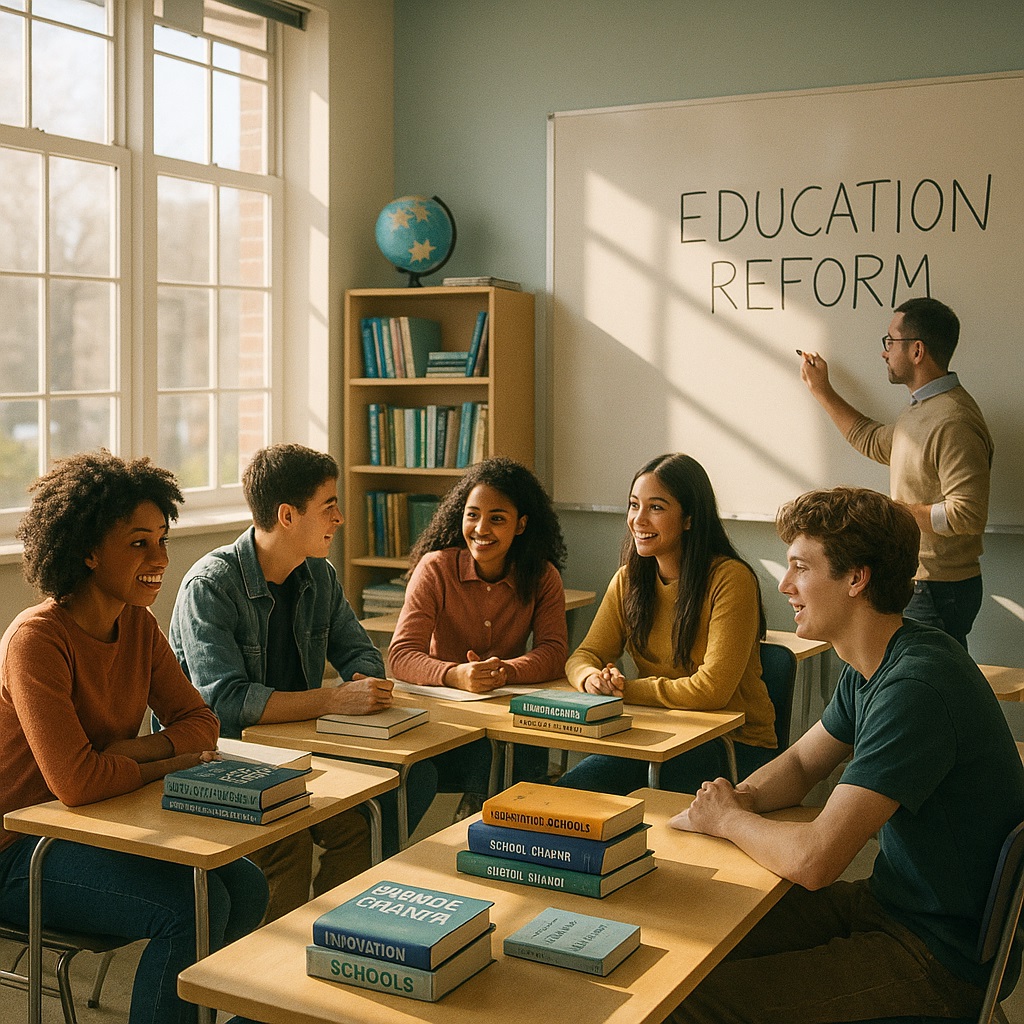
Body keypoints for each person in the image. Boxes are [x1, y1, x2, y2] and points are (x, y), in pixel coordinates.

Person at [669, 486, 1024, 1024]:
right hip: (890, 905)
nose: (784, 585)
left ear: (856, 578)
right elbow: (801, 765)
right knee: (695, 939)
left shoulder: (915, 686)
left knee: (689, 1000)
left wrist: (730, 820)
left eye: (799, 568)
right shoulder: (875, 662)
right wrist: (730, 802)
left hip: (937, 955)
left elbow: (817, 861)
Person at [0, 451, 268, 1024]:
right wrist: (170, 759)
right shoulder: (36, 641)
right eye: (139, 543)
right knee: (187, 908)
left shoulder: (138, 625)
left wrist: (135, 752)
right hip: (18, 850)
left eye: (163, 540)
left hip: (98, 824)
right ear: (89, 551)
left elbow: (202, 724)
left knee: (245, 886)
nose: (161, 559)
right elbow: (76, 783)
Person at [170, 443, 436, 921]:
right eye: (329, 506)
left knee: (367, 826)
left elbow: (359, 652)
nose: (340, 518)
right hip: (218, 759)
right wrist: (336, 700)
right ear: (288, 516)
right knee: (286, 846)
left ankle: (329, 937)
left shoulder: (320, 575)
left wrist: (365, 685)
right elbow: (226, 704)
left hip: (296, 754)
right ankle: (265, 977)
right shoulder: (210, 586)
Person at [557, 453, 776, 795]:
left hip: (732, 745)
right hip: (658, 734)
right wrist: (593, 679)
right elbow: (584, 655)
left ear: (689, 518)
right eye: (633, 505)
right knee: (572, 792)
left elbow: (711, 691)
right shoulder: (629, 580)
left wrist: (625, 689)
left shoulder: (730, 580)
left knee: (643, 807)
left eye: (656, 508)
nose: (638, 519)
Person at [799, 296, 993, 649]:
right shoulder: (921, 410)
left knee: (926, 688)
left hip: (938, 587)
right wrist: (822, 391)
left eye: (891, 341)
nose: (884, 352)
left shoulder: (953, 420)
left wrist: (892, 513)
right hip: (922, 582)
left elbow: (968, 514)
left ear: (917, 350)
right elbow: (872, 439)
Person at [389, 457, 568, 817]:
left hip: (509, 721)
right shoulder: (436, 568)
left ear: (521, 525)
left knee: (520, 746)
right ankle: (477, 822)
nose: (481, 528)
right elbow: (401, 655)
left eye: (497, 518)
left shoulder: (542, 576)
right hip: (447, 723)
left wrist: (506, 671)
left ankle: (503, 830)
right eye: (472, 515)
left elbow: (554, 651)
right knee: (487, 753)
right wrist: (455, 674)